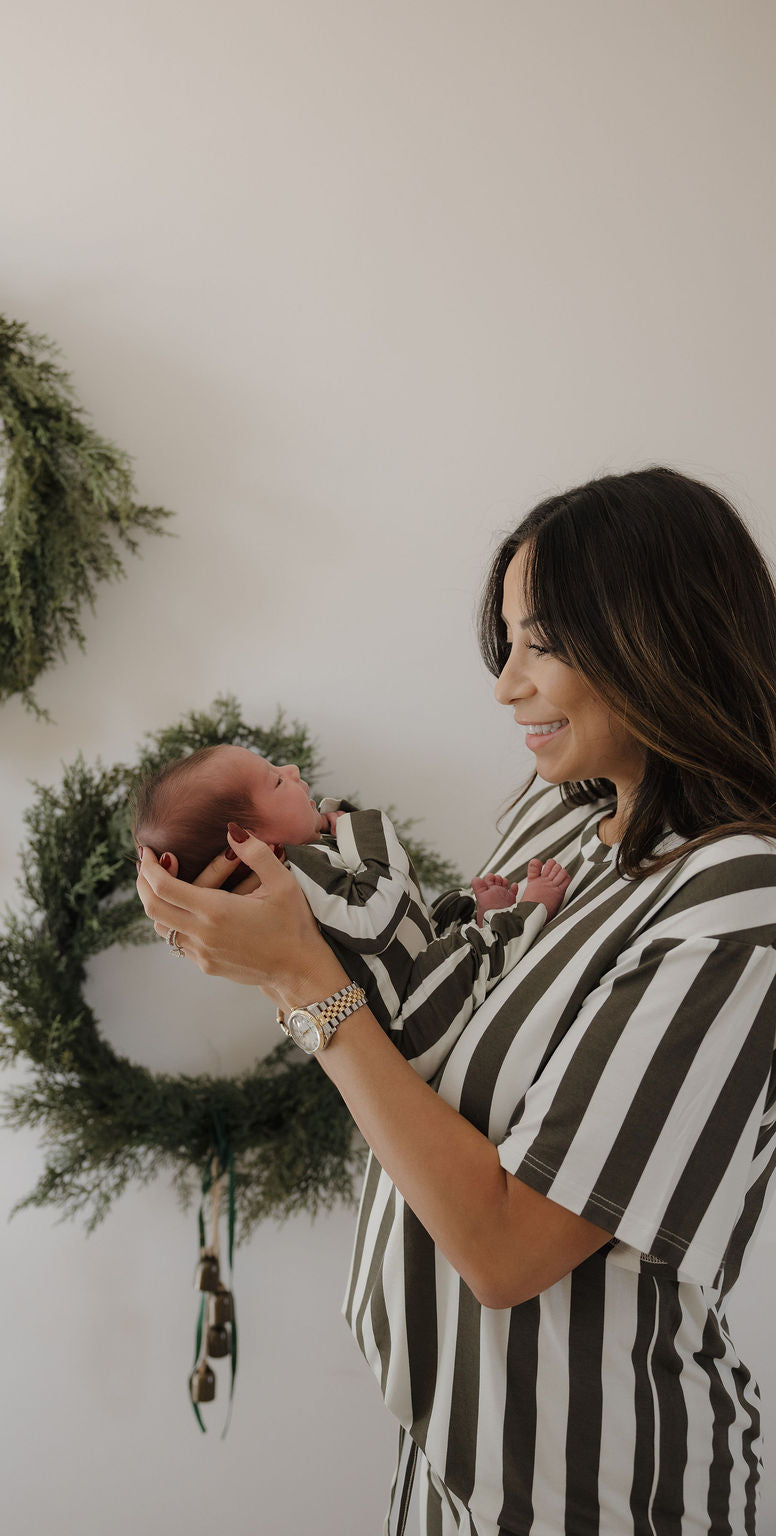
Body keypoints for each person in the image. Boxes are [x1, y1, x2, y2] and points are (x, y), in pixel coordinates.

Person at [136, 467, 776, 1535]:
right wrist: (277, 922)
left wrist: (304, 980)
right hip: (444, 1465)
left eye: (542, 645)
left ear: (657, 638)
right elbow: (428, 1026)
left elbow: (508, 1252)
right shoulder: (562, 818)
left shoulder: (737, 907)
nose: (504, 688)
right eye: (506, 643)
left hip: (598, 1494)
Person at [130, 743, 570, 1074]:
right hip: (409, 1025)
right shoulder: (293, 872)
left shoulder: (303, 860)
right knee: (467, 954)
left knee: (445, 914)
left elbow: (403, 911)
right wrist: (362, 824)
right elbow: (376, 918)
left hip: (411, 974)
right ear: (249, 841)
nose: (292, 770)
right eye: (277, 781)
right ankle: (518, 919)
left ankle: (477, 915)